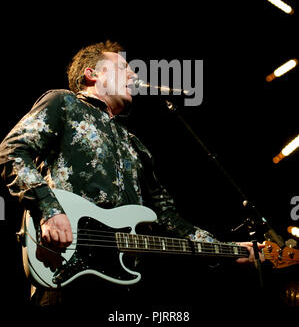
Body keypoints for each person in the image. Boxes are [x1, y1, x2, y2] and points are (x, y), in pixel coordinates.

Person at [0, 40, 264, 311]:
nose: (134, 75)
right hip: (64, 273)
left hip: (122, 286)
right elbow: (14, 150)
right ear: (92, 74)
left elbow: (166, 217)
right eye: (123, 67)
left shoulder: (134, 144)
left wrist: (228, 250)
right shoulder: (63, 102)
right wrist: (49, 210)